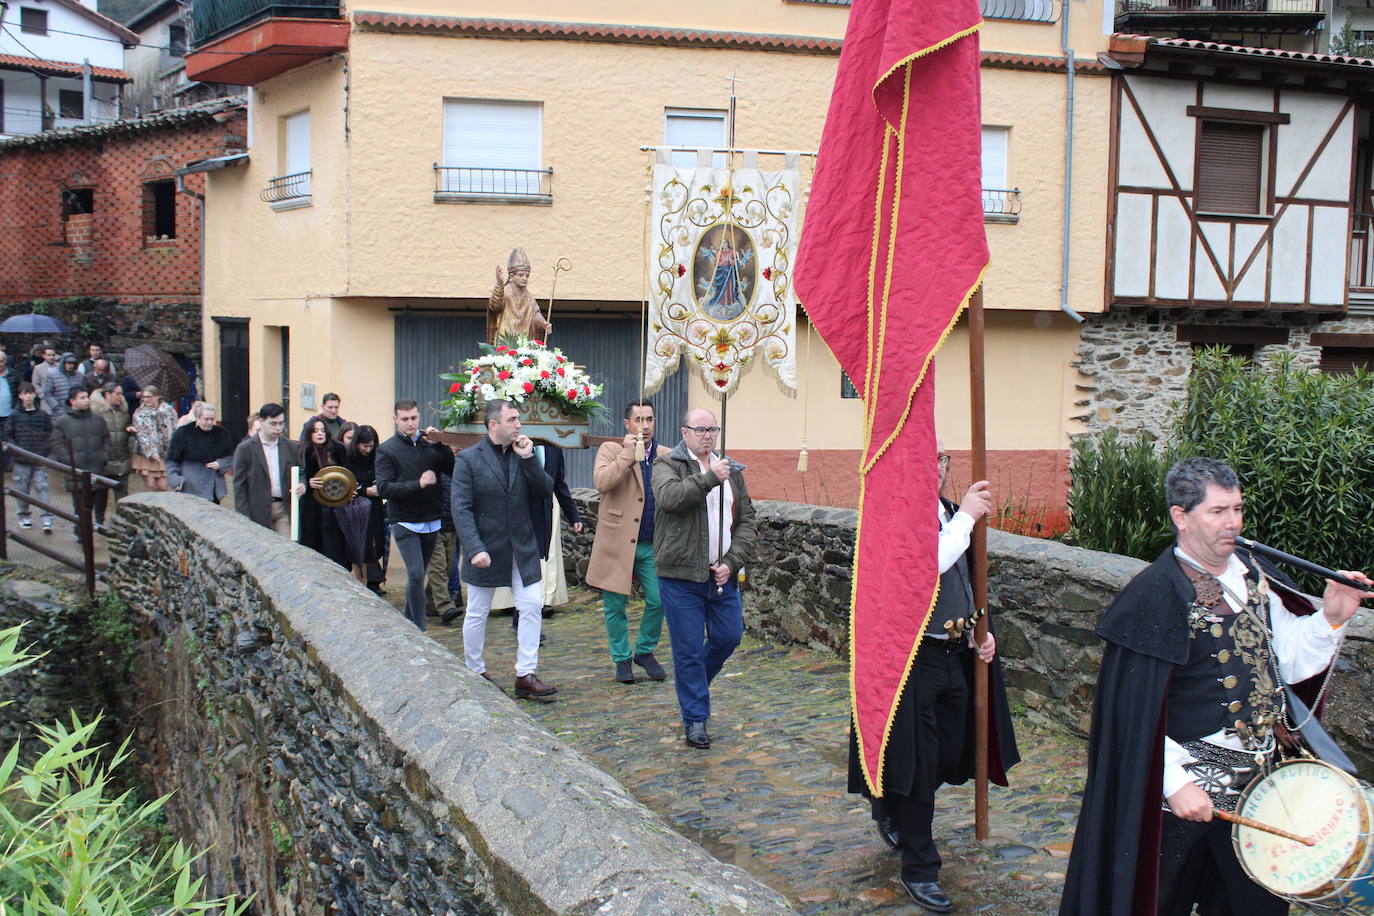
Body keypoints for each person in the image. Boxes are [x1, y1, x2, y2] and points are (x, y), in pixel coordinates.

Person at [1059, 457, 1372, 916]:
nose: (1233, 523)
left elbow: (1286, 661)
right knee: (1158, 902)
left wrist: (1331, 617)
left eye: (1238, 509)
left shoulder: (1256, 575)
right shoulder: (1155, 596)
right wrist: (1173, 782)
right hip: (1187, 791)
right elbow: (1131, 712)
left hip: (1263, 788)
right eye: (1218, 511)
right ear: (1180, 517)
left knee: (1254, 907)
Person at [851, 437, 1020, 915]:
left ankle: (888, 803)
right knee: (920, 766)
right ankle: (920, 867)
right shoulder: (897, 514)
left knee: (950, 751)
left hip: (953, 654)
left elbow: (963, 579)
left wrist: (977, 632)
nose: (940, 466)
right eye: (931, 457)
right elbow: (925, 569)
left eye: (944, 458)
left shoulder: (948, 510)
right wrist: (967, 516)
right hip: (910, 660)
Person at [652, 407, 757, 749]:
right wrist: (711, 477)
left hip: (721, 575)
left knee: (729, 637)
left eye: (713, 429)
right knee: (688, 650)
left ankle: (691, 686)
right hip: (680, 576)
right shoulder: (667, 465)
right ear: (684, 433)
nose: (708, 435)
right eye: (700, 429)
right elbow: (669, 500)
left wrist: (732, 560)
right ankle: (696, 719)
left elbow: (747, 522)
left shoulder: (732, 471)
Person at [451, 399, 556, 698]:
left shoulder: (524, 454)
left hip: (521, 546)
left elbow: (544, 490)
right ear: (493, 424)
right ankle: (474, 669)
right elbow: (461, 508)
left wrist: (528, 459)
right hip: (485, 547)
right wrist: (473, 548)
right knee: (477, 611)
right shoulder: (468, 460)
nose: (518, 424)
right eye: (512, 419)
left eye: (518, 419)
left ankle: (525, 674)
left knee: (532, 605)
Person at [587, 399, 670, 684]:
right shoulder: (610, 450)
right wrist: (627, 454)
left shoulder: (664, 455)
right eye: (638, 420)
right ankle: (621, 658)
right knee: (615, 605)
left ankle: (645, 651)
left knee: (659, 600)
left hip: (651, 543)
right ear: (627, 424)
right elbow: (601, 482)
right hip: (617, 541)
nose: (644, 426)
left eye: (649, 419)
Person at [374, 399, 454, 630]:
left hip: (431, 518)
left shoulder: (430, 445)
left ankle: (408, 623)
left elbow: (451, 468)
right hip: (405, 521)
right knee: (417, 573)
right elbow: (384, 488)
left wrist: (439, 444)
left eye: (414, 418)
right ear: (395, 419)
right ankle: (419, 628)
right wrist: (417, 484)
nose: (410, 423)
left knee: (418, 576)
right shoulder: (387, 450)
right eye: (405, 419)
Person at [231, 403, 304, 536]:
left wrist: (301, 484)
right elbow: (239, 486)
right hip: (257, 508)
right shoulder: (245, 449)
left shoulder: (290, 446)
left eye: (281, 423)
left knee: (287, 548)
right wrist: (244, 517)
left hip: (283, 507)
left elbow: (300, 472)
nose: (278, 428)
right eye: (273, 423)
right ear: (261, 422)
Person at [331, 425, 385, 589]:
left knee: (374, 547)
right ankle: (360, 583)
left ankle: (368, 581)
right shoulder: (348, 459)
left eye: (371, 446)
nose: (368, 450)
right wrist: (364, 490)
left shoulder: (377, 457)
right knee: (358, 547)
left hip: (375, 507)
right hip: (355, 509)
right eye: (365, 446)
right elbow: (346, 485)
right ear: (357, 444)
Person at [50, 388, 110, 530]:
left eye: (87, 397)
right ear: (72, 401)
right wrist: (68, 459)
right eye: (82, 397)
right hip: (76, 472)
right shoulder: (62, 421)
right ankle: (82, 535)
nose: (87, 400)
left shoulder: (98, 419)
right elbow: (56, 442)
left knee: (100, 504)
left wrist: (104, 455)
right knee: (80, 508)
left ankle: (99, 526)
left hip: (97, 469)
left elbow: (106, 438)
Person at [166, 402, 236, 503]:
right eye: (206, 419)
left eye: (212, 419)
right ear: (198, 418)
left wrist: (220, 464)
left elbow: (231, 456)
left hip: (213, 488)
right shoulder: (183, 433)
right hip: (190, 487)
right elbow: (172, 460)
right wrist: (175, 479)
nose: (209, 422)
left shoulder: (222, 434)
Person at [6, 383, 53, 532]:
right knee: (22, 489)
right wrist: (17, 451)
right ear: (20, 396)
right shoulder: (14, 416)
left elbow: (49, 434)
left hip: (39, 458)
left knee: (42, 487)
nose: (28, 396)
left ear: (34, 395)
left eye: (30, 393)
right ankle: (24, 517)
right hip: (22, 460)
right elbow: (8, 436)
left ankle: (46, 519)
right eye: (25, 393)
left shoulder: (43, 415)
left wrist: (44, 450)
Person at [299, 418, 347, 557]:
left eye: (322, 430)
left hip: (334, 505)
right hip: (311, 507)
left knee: (333, 546)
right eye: (315, 431)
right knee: (312, 543)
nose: (320, 434)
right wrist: (308, 483)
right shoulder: (304, 451)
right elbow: (298, 474)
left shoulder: (337, 449)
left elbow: (345, 472)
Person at [488, 248, 551, 343]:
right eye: (521, 275)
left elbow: (535, 314)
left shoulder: (529, 298)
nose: (524, 278)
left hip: (524, 343)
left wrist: (543, 323)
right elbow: (495, 306)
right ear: (511, 276)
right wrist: (499, 283)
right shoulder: (504, 291)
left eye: (527, 276)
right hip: (505, 343)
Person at [425, 458, 459, 624]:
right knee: (438, 566)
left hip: (451, 525)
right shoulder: (432, 469)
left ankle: (429, 602)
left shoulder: (459, 470)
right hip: (433, 524)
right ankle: (446, 607)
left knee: (447, 567)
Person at [90, 383, 130, 521]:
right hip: (104, 462)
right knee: (101, 496)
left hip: (122, 460)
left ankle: (124, 525)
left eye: (121, 394)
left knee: (123, 497)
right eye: (117, 393)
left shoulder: (124, 411)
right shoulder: (96, 413)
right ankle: (99, 522)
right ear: (108, 394)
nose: (121, 397)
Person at [131, 386, 177, 492]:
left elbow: (175, 428)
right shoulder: (139, 412)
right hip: (147, 453)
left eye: (149, 396)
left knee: (162, 487)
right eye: (143, 397)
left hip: (165, 452)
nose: (145, 399)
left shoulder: (169, 410)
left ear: (157, 396)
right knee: (150, 486)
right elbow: (141, 435)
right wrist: (151, 452)